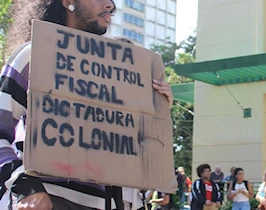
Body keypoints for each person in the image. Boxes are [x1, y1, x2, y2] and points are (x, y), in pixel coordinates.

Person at [0, 1, 174, 209]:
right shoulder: (34, 54)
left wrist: (157, 109)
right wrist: (26, 190)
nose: (110, 5)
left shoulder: (118, 71)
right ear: (68, 2)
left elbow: (129, 147)